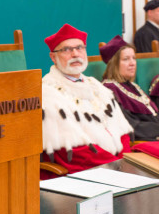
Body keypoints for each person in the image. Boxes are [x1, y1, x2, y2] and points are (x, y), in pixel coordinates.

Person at [41, 24, 133, 179]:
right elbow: (73, 152)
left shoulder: (98, 87)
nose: (75, 54)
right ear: (53, 57)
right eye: (66, 50)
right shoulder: (47, 93)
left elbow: (121, 131)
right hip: (83, 174)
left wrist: (126, 163)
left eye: (80, 48)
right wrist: (118, 166)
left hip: (117, 167)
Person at [100, 35, 159, 141]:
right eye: (126, 59)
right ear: (114, 64)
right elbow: (128, 124)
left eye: (134, 58)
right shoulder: (109, 89)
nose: (132, 63)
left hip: (158, 136)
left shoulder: (132, 86)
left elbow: (155, 115)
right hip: (142, 142)